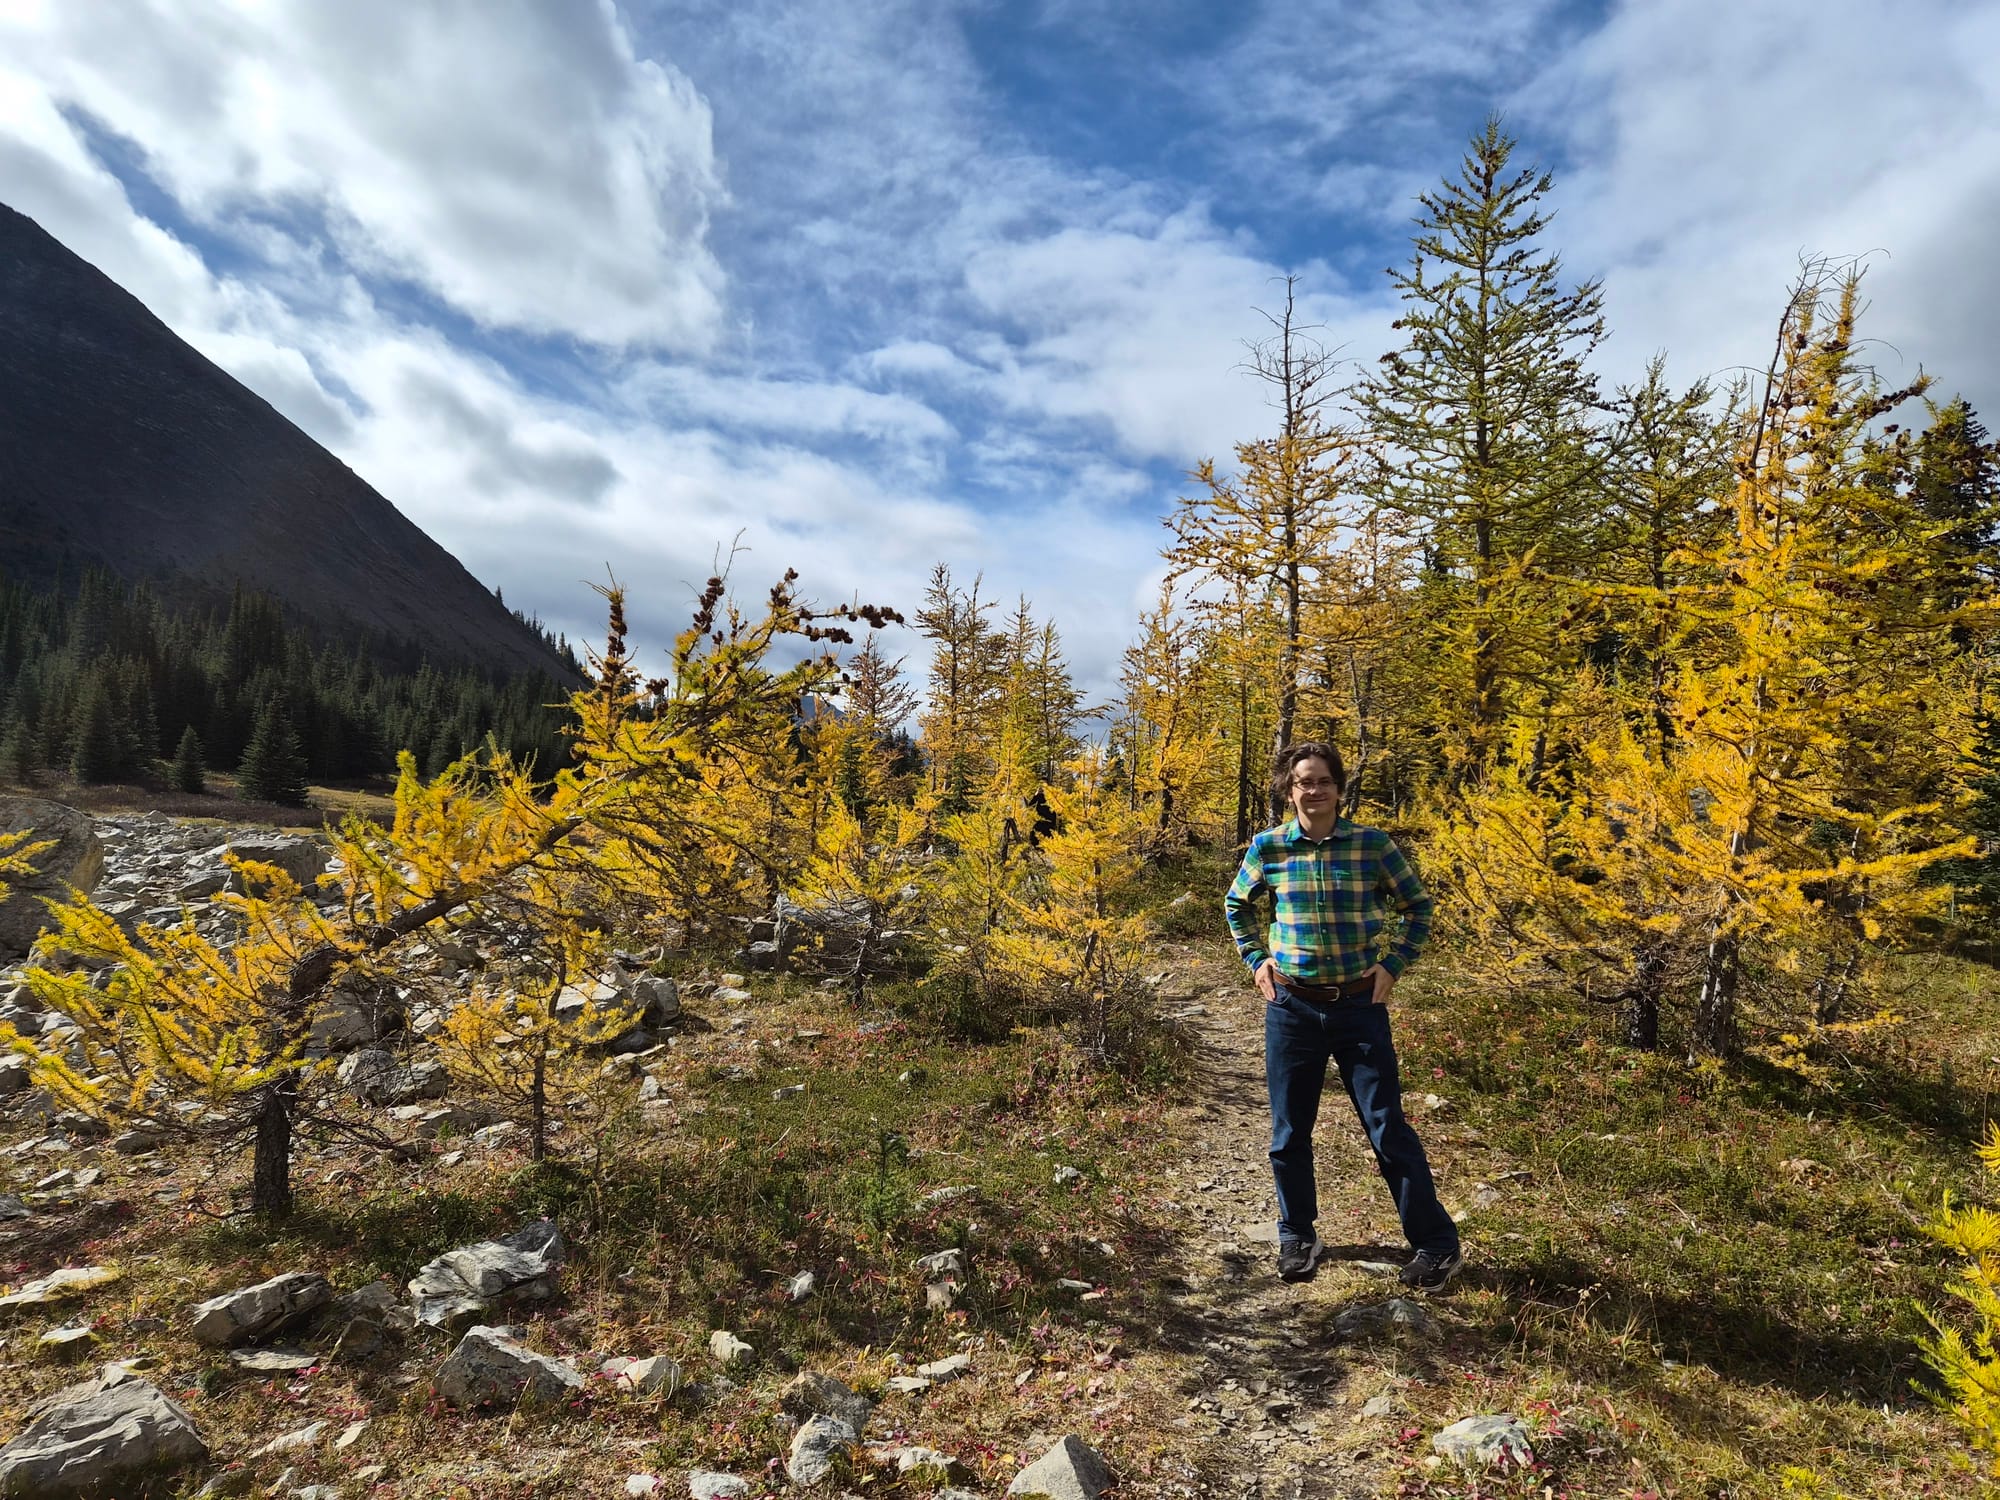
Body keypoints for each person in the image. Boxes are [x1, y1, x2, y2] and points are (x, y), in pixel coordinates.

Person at [1223, 741, 1462, 1290]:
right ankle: (1298, 1235)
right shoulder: (1269, 848)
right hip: (1291, 1005)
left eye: (1324, 780)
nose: (1315, 790)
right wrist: (1256, 959)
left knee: (1386, 1127)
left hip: (1359, 1004)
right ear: (1289, 788)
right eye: (1304, 781)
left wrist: (1395, 963)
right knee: (1288, 1131)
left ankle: (1436, 1245)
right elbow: (1237, 904)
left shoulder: (1373, 846)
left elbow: (1417, 906)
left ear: (1338, 787)